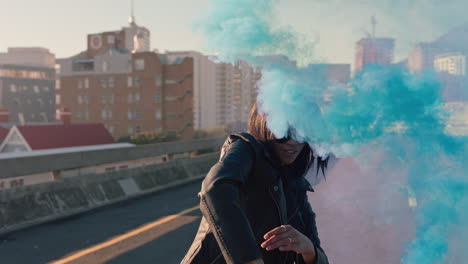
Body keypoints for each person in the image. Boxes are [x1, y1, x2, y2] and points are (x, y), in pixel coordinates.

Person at [181, 103, 330, 264]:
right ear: (265, 125)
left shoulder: (296, 187)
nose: (293, 142)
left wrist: (309, 249)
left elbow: (318, 256)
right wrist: (249, 259)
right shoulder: (247, 149)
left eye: (302, 133)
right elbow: (215, 188)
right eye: (284, 132)